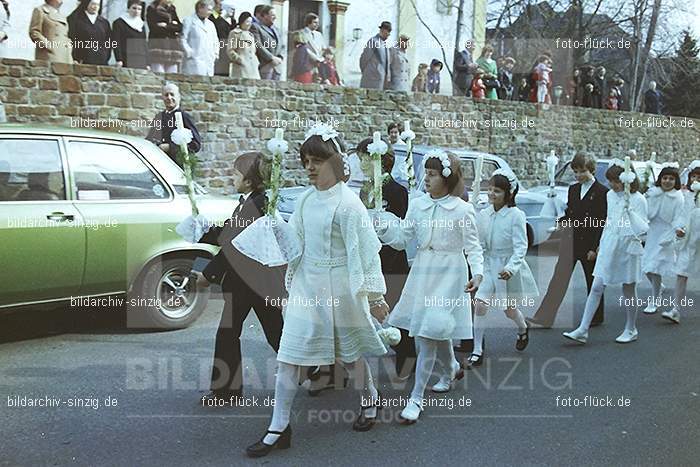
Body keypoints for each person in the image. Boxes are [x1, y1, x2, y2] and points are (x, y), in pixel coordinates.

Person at [246, 124, 390, 457]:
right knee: (289, 358)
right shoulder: (306, 200)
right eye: (306, 160)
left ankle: (370, 400)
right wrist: (273, 227)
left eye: (317, 161)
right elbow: (295, 242)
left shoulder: (349, 204)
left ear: (335, 162)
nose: (310, 167)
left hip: (341, 290)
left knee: (351, 356)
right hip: (307, 289)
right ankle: (278, 428)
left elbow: (367, 252)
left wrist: (376, 296)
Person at [375, 150, 483, 423]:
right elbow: (402, 239)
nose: (427, 179)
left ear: (447, 178)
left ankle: (416, 399)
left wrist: (478, 273)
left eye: (433, 175)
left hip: (450, 274)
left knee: (427, 333)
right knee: (436, 327)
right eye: (427, 174)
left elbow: (473, 246)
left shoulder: (462, 209)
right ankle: (451, 368)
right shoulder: (418, 205)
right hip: (423, 271)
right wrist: (383, 227)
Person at [195, 152, 285, 400]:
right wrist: (202, 230)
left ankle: (226, 391)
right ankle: (315, 370)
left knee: (260, 332)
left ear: (249, 180)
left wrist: (208, 274)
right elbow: (229, 233)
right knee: (271, 332)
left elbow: (234, 245)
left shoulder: (255, 205)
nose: (231, 176)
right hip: (249, 282)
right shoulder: (250, 201)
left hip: (251, 282)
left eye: (236, 173)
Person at [563, 162, 649, 345]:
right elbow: (607, 221)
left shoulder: (639, 199)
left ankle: (631, 328)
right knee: (596, 287)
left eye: (616, 181)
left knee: (628, 289)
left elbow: (643, 229)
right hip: (609, 243)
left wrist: (630, 213)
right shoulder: (610, 195)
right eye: (610, 181)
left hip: (628, 247)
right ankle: (583, 329)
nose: (612, 185)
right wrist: (600, 245)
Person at [527, 153, 608, 329]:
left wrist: (595, 248)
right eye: (576, 172)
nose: (579, 176)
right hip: (570, 241)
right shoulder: (573, 190)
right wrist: (560, 223)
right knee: (558, 279)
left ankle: (596, 315)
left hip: (589, 244)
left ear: (592, 170)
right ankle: (545, 317)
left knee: (592, 281)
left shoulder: (602, 192)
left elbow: (601, 222)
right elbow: (571, 214)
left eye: (582, 171)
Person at [357, 139, 414, 379]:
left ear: (380, 160)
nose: (361, 163)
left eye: (364, 158)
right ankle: (391, 342)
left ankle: (407, 355)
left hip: (392, 259)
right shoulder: (364, 189)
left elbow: (402, 229)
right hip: (371, 256)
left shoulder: (397, 191)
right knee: (375, 306)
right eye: (359, 158)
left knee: (397, 310)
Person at [470, 169, 537, 368]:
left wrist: (511, 267)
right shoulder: (484, 214)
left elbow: (521, 246)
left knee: (509, 310)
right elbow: (480, 243)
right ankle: (477, 350)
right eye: (489, 189)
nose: (491, 194)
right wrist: (477, 267)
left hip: (506, 268)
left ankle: (523, 327)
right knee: (480, 304)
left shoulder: (516, 215)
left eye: (497, 191)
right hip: (489, 265)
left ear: (508, 193)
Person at [641, 164, 684, 314]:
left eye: (671, 179)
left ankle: (655, 299)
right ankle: (658, 287)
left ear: (676, 181)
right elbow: (645, 211)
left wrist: (678, 229)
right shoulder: (653, 193)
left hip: (666, 234)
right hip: (652, 232)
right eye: (665, 178)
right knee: (646, 266)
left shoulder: (678, 197)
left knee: (656, 267)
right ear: (660, 179)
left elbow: (679, 216)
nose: (667, 181)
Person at [665, 161, 700, 323]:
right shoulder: (686, 196)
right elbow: (680, 216)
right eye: (694, 176)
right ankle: (675, 309)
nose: (696, 180)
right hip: (688, 241)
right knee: (681, 274)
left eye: (699, 177)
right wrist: (679, 229)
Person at [146, 82, 202, 168]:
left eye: (172, 94)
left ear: (178, 97)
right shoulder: (159, 117)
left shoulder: (184, 117)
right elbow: (150, 139)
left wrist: (170, 147)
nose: (169, 98)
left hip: (177, 166)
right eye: (166, 95)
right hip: (159, 165)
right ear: (162, 98)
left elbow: (195, 145)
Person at [180, 0, 218, 76]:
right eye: (209, 10)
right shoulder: (189, 21)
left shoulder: (211, 24)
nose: (210, 12)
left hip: (208, 60)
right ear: (200, 9)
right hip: (194, 60)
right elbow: (182, 39)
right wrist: (189, 52)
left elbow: (215, 41)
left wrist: (215, 54)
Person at [67, 0, 111, 65]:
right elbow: (71, 38)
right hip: (82, 60)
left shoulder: (104, 23)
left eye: (98, 5)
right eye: (93, 4)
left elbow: (108, 41)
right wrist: (74, 58)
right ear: (86, 3)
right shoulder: (75, 19)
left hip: (101, 61)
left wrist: (106, 56)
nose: (95, 7)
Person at [146, 0, 183, 73]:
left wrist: (166, 26)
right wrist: (172, 26)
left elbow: (180, 27)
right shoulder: (152, 8)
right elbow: (154, 28)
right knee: (158, 73)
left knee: (172, 75)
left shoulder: (172, 9)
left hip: (172, 47)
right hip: (158, 45)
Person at [113, 0, 149, 70]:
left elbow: (144, 44)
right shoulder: (119, 23)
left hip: (140, 59)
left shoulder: (141, 24)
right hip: (126, 58)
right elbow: (116, 42)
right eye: (134, 8)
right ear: (128, 8)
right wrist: (119, 59)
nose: (136, 11)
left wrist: (147, 63)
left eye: (139, 9)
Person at [250, 5, 283, 80]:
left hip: (277, 67)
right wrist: (271, 58)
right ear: (265, 16)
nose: (275, 17)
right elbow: (258, 45)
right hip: (265, 66)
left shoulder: (276, 30)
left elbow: (282, 45)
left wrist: (280, 58)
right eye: (272, 15)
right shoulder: (255, 27)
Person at [359, 21, 392, 90]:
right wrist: (369, 72)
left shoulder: (384, 45)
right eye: (387, 31)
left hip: (381, 81)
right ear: (382, 30)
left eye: (389, 31)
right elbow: (364, 59)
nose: (389, 34)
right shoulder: (373, 41)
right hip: (371, 79)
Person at [227, 11, 259, 79]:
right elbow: (230, 50)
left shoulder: (251, 35)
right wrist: (239, 59)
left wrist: (256, 61)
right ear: (242, 21)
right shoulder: (235, 33)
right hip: (241, 67)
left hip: (252, 66)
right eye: (247, 22)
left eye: (250, 22)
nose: (249, 24)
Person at [209, 0, 232, 76]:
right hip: (214, 48)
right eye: (219, 4)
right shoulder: (210, 19)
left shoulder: (224, 20)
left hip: (223, 49)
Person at [300, 13, 324, 79]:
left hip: (318, 65)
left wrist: (321, 59)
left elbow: (323, 48)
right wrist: (316, 59)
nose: (317, 25)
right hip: (307, 64)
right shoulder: (302, 33)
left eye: (318, 23)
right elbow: (305, 49)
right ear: (308, 22)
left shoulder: (319, 34)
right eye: (315, 22)